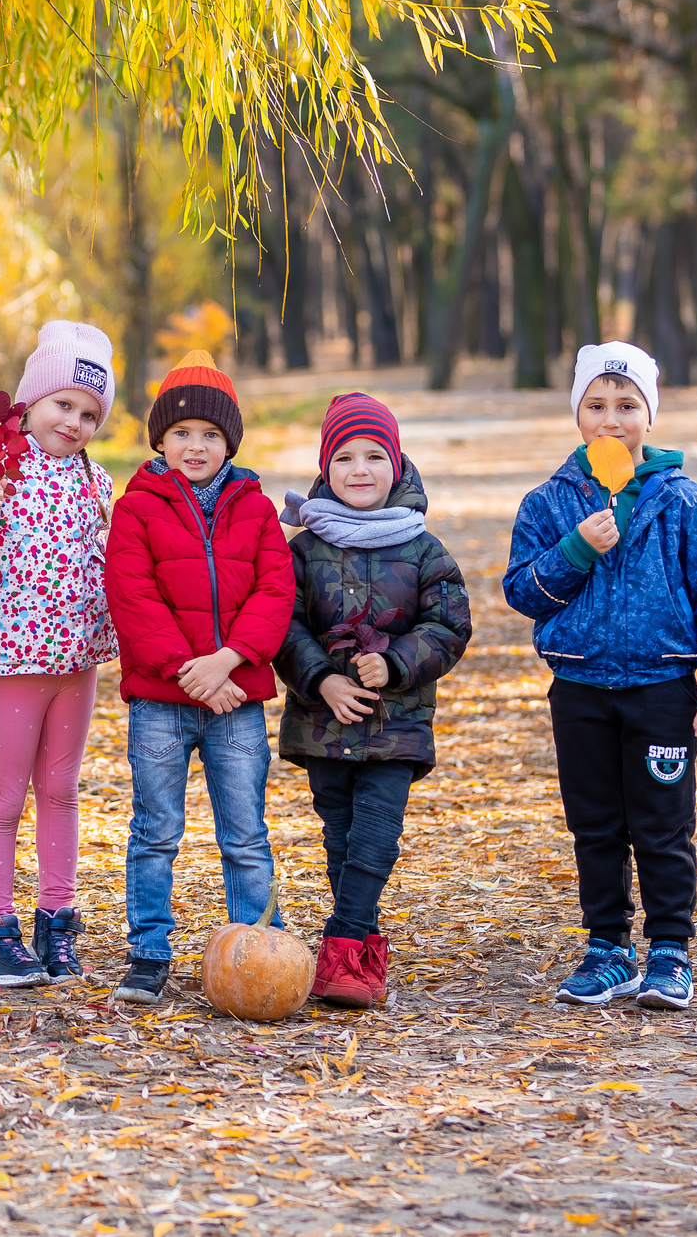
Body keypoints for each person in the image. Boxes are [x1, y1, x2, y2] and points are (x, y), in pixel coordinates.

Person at [504, 342, 697, 1011]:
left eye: (627, 406)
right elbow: (523, 592)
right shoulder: (549, 502)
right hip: (580, 688)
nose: (612, 421)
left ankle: (669, 950)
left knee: (663, 823)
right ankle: (607, 949)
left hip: (662, 688)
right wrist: (577, 548)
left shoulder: (684, 502)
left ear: (649, 415)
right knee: (596, 825)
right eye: (597, 405)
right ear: (577, 414)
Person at [103, 352, 295, 1006]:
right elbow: (134, 598)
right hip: (161, 701)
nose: (195, 445)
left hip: (236, 698)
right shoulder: (135, 509)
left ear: (230, 443)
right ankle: (148, 951)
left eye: (210, 435)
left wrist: (231, 659)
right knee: (155, 829)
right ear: (160, 439)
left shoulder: (257, 508)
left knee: (245, 831)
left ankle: (259, 948)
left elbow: (275, 589)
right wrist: (197, 675)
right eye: (182, 432)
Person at [273, 393, 472, 1009]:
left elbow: (449, 627)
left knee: (378, 832)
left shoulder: (422, 549)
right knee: (340, 832)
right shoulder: (304, 550)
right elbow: (281, 623)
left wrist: (394, 663)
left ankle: (344, 941)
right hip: (324, 720)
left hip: (396, 724)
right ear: (325, 469)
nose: (360, 470)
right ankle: (360, 950)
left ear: (398, 464)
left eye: (374, 457)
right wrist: (320, 680)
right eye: (345, 458)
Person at [0, 321, 120, 989]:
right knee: (5, 797)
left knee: (61, 789)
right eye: (62, 405)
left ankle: (57, 920)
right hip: (13, 657)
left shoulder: (96, 482)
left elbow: (106, 566)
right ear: (30, 402)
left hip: (77, 658)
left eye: (88, 413)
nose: (73, 421)